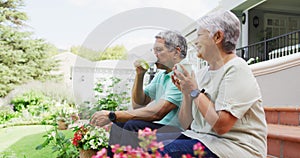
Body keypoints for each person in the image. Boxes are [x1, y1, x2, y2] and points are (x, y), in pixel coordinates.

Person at [159, 10, 267, 158]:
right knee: (148, 143)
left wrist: (195, 91)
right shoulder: (202, 73)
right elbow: (186, 124)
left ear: (217, 36)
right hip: (202, 139)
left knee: (162, 152)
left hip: (236, 147)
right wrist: (187, 93)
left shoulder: (237, 68)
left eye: (199, 36)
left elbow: (221, 126)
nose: (195, 41)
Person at [90, 30, 188, 148]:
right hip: (160, 126)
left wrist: (113, 115)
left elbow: (157, 113)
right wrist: (140, 74)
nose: (155, 55)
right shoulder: (162, 74)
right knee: (119, 125)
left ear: (176, 52)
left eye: (159, 50)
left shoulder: (182, 73)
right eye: (154, 50)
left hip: (176, 130)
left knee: (131, 126)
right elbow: (139, 104)